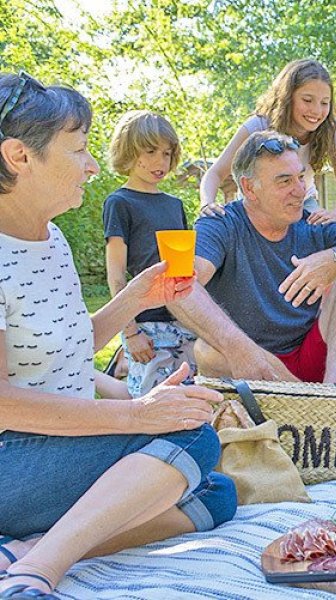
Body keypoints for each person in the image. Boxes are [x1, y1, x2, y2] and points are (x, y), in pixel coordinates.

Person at [0, 72, 236, 598]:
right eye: (78, 150)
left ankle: (16, 548)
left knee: (217, 493)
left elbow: (64, 345)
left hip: (58, 442)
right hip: (10, 458)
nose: (90, 165)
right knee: (193, 441)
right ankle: (37, 569)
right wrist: (136, 413)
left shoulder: (52, 238)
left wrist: (134, 298)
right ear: (19, 156)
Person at [168, 130, 336, 383]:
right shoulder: (222, 223)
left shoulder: (314, 223)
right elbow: (179, 287)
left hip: (311, 358)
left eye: (300, 177)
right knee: (205, 351)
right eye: (285, 182)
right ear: (249, 188)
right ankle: (314, 402)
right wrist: (238, 348)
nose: (300, 191)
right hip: (247, 366)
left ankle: (333, 394)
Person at [103, 110, 197, 397]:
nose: (161, 161)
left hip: (185, 317)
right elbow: (116, 276)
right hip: (146, 322)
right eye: (151, 151)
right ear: (130, 151)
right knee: (148, 400)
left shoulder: (174, 204)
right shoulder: (119, 203)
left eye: (167, 153)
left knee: (188, 396)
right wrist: (130, 333)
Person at [199, 59, 336, 225]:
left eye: (325, 103)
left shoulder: (331, 130)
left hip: (301, 203)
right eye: (307, 100)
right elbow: (215, 173)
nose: (317, 110)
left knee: (323, 234)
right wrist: (207, 203)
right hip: (256, 206)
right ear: (288, 98)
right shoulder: (258, 125)